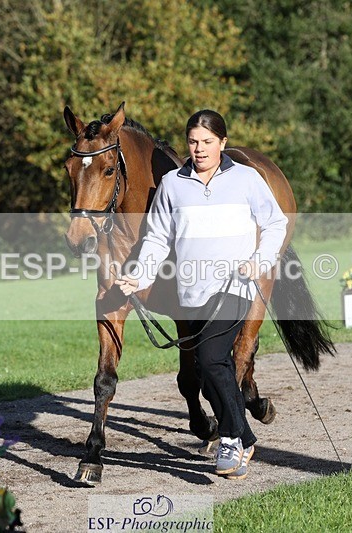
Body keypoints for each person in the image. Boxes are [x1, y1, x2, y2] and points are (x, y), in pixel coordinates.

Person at [115, 109, 288, 479]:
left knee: (210, 359)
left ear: (222, 143)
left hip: (234, 286)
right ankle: (244, 433)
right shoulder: (173, 185)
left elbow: (276, 223)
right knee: (210, 372)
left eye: (208, 142)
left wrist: (260, 260)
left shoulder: (246, 179)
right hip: (191, 290)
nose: (199, 149)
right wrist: (139, 275)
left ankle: (230, 440)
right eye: (193, 142)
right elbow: (157, 238)